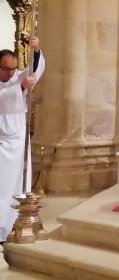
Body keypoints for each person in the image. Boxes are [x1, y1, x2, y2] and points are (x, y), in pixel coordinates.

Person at [0, 37, 44, 242]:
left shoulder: (16, 77)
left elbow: (34, 71)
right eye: (6, 69)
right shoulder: (13, 85)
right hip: (2, 143)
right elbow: (4, 97)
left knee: (19, 185)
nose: (11, 73)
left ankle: (16, 222)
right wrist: (21, 89)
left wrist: (36, 50)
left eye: (14, 68)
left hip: (19, 142)